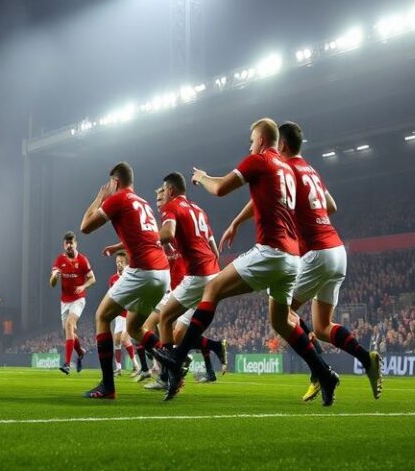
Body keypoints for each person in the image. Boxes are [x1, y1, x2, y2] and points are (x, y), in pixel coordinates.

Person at [153, 118, 339, 405]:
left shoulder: (259, 160)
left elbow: (219, 189)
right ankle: (324, 372)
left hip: (271, 251)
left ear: (262, 140)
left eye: (252, 139)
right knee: (281, 321)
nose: (250, 145)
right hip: (292, 258)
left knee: (212, 290)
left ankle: (177, 357)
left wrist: (201, 177)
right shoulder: (286, 168)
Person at [221, 121, 382, 401]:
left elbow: (266, 199)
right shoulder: (310, 169)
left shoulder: (287, 169)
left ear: (280, 145)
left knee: (282, 316)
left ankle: (320, 373)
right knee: (321, 327)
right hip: (336, 251)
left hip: (317, 253)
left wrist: (238, 220)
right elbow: (330, 206)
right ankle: (367, 359)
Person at [80, 162, 170, 399]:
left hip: (142, 270)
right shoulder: (144, 203)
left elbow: (85, 226)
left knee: (102, 316)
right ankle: (173, 364)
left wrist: (100, 197)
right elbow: (147, 236)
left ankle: (108, 386)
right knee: (134, 328)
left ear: (115, 182)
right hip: (162, 273)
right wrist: (120, 246)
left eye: (109, 183)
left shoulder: (117, 199)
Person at [158, 172, 227, 387]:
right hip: (213, 272)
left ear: (170, 190)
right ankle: (210, 350)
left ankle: (172, 375)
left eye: (163, 191)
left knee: (164, 319)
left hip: (197, 274)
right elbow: (215, 250)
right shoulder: (199, 210)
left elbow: (167, 234)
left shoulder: (171, 207)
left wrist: (148, 237)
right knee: (179, 331)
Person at [50, 231, 95, 375]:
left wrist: (83, 286)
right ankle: (80, 351)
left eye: (72, 243)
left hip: (78, 299)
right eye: (67, 243)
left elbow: (92, 279)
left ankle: (67, 364)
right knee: (69, 332)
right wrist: (55, 278)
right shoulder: (59, 261)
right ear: (64, 245)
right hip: (65, 302)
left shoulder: (82, 260)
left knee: (70, 324)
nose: (69, 245)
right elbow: (51, 284)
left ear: (76, 244)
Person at [108, 251, 141, 376]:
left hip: (129, 313)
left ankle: (136, 366)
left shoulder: (130, 276)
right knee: (116, 340)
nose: (119, 264)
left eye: (121, 261)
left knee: (124, 338)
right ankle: (118, 368)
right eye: (117, 262)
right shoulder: (112, 279)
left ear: (126, 263)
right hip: (118, 315)